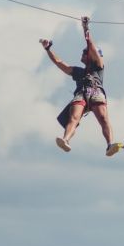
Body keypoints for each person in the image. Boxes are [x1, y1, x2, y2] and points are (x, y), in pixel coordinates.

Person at [41, 16, 117, 156]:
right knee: (74, 118)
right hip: (82, 93)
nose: (82, 53)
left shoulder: (98, 66)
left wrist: (85, 28)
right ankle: (66, 140)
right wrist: (48, 49)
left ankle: (110, 144)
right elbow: (60, 63)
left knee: (103, 118)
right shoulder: (78, 71)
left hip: (95, 91)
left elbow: (90, 45)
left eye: (84, 52)